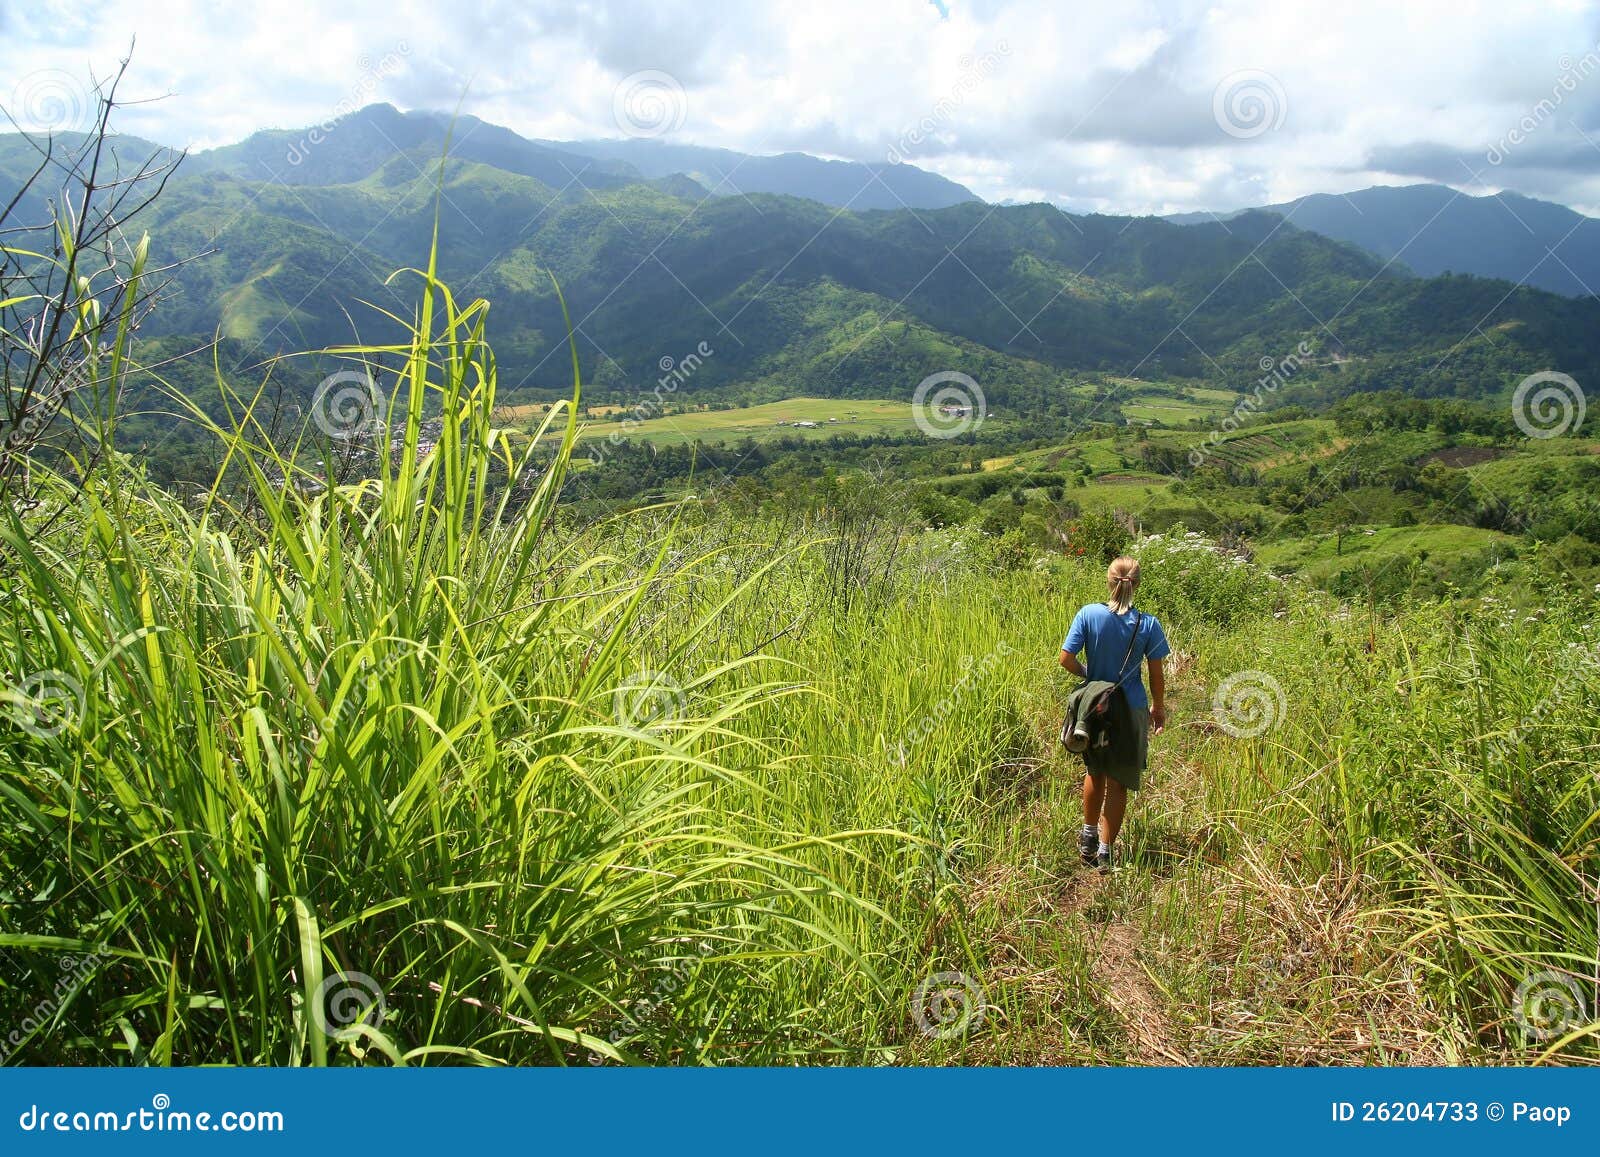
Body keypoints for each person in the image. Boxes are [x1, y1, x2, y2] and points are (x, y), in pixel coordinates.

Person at [1058, 556, 1170, 871]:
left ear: (1110, 582)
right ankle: (1106, 852)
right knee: (1119, 781)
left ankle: (1088, 836)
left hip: (1095, 708)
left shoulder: (1088, 614)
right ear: (1137, 584)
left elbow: (1066, 658)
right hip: (1130, 708)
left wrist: (1090, 676)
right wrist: (1158, 707)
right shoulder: (1148, 624)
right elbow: (1156, 674)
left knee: (1095, 771)